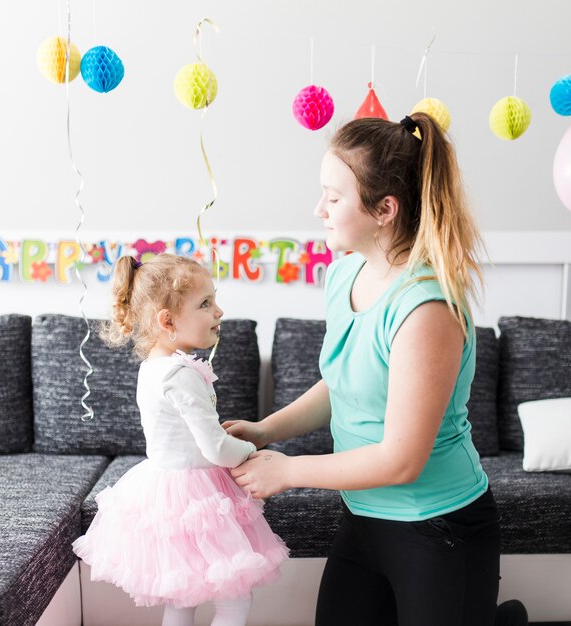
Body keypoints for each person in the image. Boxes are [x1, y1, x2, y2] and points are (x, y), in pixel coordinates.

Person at [224, 113, 504, 626]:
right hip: (364, 520)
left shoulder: (425, 309)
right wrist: (267, 429)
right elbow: (344, 383)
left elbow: (401, 460)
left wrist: (287, 471)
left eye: (333, 198)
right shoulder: (347, 271)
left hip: (438, 526)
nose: (318, 210)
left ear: (384, 210)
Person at [73, 254, 288, 626]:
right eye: (205, 304)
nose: (219, 311)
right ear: (167, 320)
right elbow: (216, 449)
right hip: (198, 494)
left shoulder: (152, 368)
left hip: (164, 488)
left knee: (181, 596)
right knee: (234, 600)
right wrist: (254, 449)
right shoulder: (180, 374)